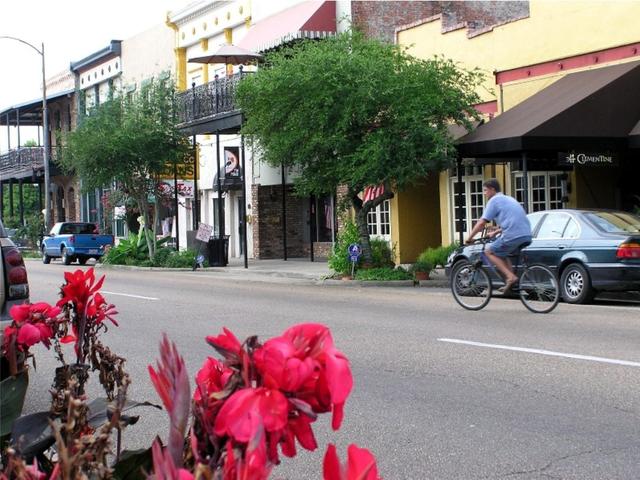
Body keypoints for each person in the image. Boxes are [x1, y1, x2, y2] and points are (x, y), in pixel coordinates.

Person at [466, 178, 532, 293]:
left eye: (486, 190)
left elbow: (482, 222)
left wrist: (470, 238)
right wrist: (495, 232)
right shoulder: (509, 198)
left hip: (513, 235)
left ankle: (510, 277)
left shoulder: (494, 201)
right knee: (502, 253)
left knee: (488, 251)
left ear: (492, 189)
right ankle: (510, 281)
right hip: (526, 234)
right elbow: (513, 221)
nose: (484, 193)